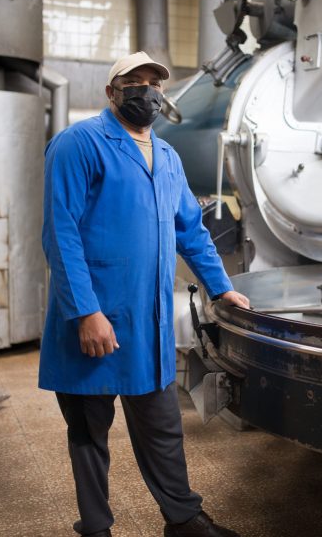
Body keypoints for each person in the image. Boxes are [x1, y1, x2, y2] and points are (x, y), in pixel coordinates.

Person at [39, 51, 250, 537]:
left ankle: (182, 519)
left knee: (162, 429)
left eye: (154, 82)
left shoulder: (169, 157)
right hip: (93, 319)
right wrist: (86, 313)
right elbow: (60, 232)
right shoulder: (79, 144)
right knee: (89, 431)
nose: (146, 90)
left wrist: (221, 288)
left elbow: (191, 231)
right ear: (111, 92)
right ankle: (95, 527)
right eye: (133, 82)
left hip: (147, 320)